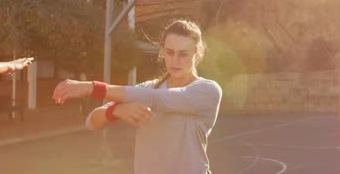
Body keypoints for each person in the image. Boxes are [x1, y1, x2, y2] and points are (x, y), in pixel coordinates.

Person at [52, 19, 222, 174]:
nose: (175, 60)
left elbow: (157, 99)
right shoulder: (148, 89)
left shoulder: (207, 91)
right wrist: (117, 110)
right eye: (170, 52)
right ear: (162, 52)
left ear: (197, 54)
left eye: (183, 54)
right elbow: (92, 122)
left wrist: (91, 87)